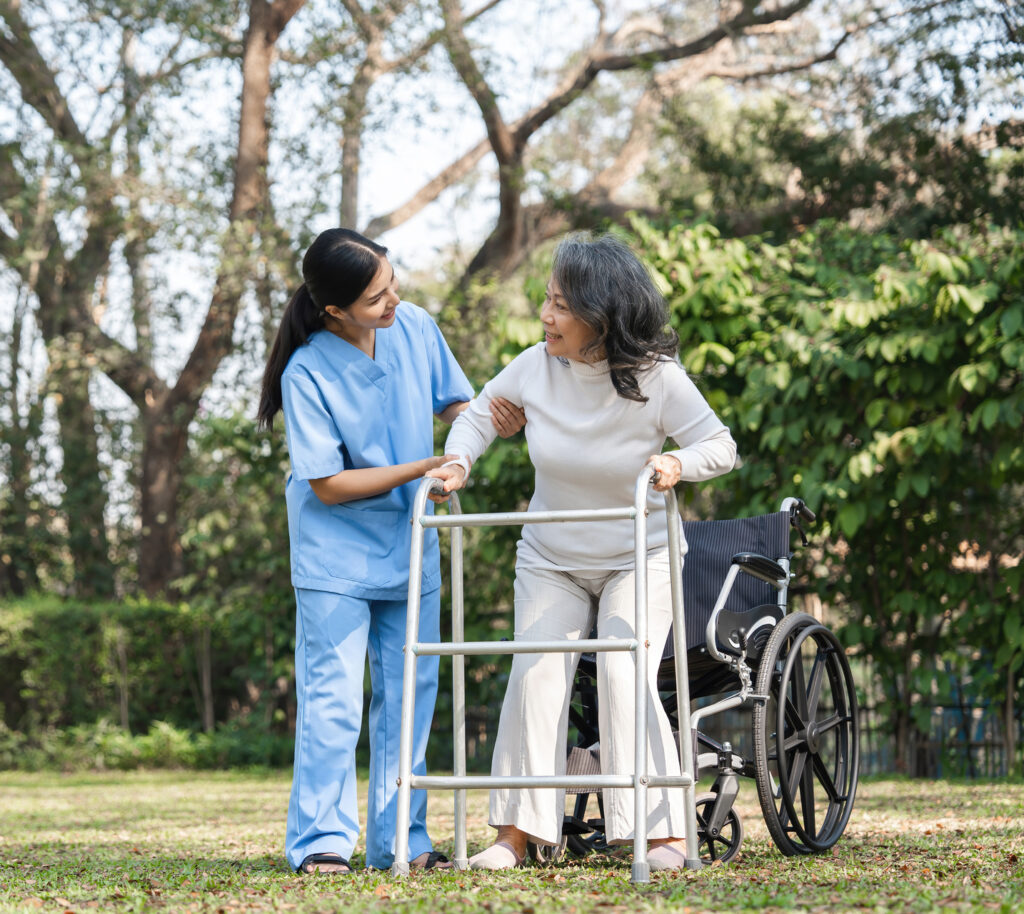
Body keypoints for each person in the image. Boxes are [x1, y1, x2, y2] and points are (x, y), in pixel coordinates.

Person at [427, 231, 737, 872]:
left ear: (603, 316)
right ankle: (516, 836)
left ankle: (661, 835)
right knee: (534, 675)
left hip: (638, 553)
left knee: (626, 672)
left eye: (561, 306)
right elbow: (481, 414)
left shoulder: (657, 379)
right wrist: (458, 462)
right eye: (546, 301)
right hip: (551, 555)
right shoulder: (534, 365)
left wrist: (677, 461)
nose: (546, 316)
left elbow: (721, 446)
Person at [256, 228, 523, 875]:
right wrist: (421, 466)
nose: (393, 301)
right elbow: (327, 483)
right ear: (334, 310)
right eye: (377, 298)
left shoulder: (417, 328)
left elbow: (461, 402)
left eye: (392, 284)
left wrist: (482, 426)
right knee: (333, 700)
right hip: (334, 558)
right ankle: (321, 841)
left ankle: (402, 840)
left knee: (410, 697)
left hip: (409, 548)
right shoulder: (308, 371)